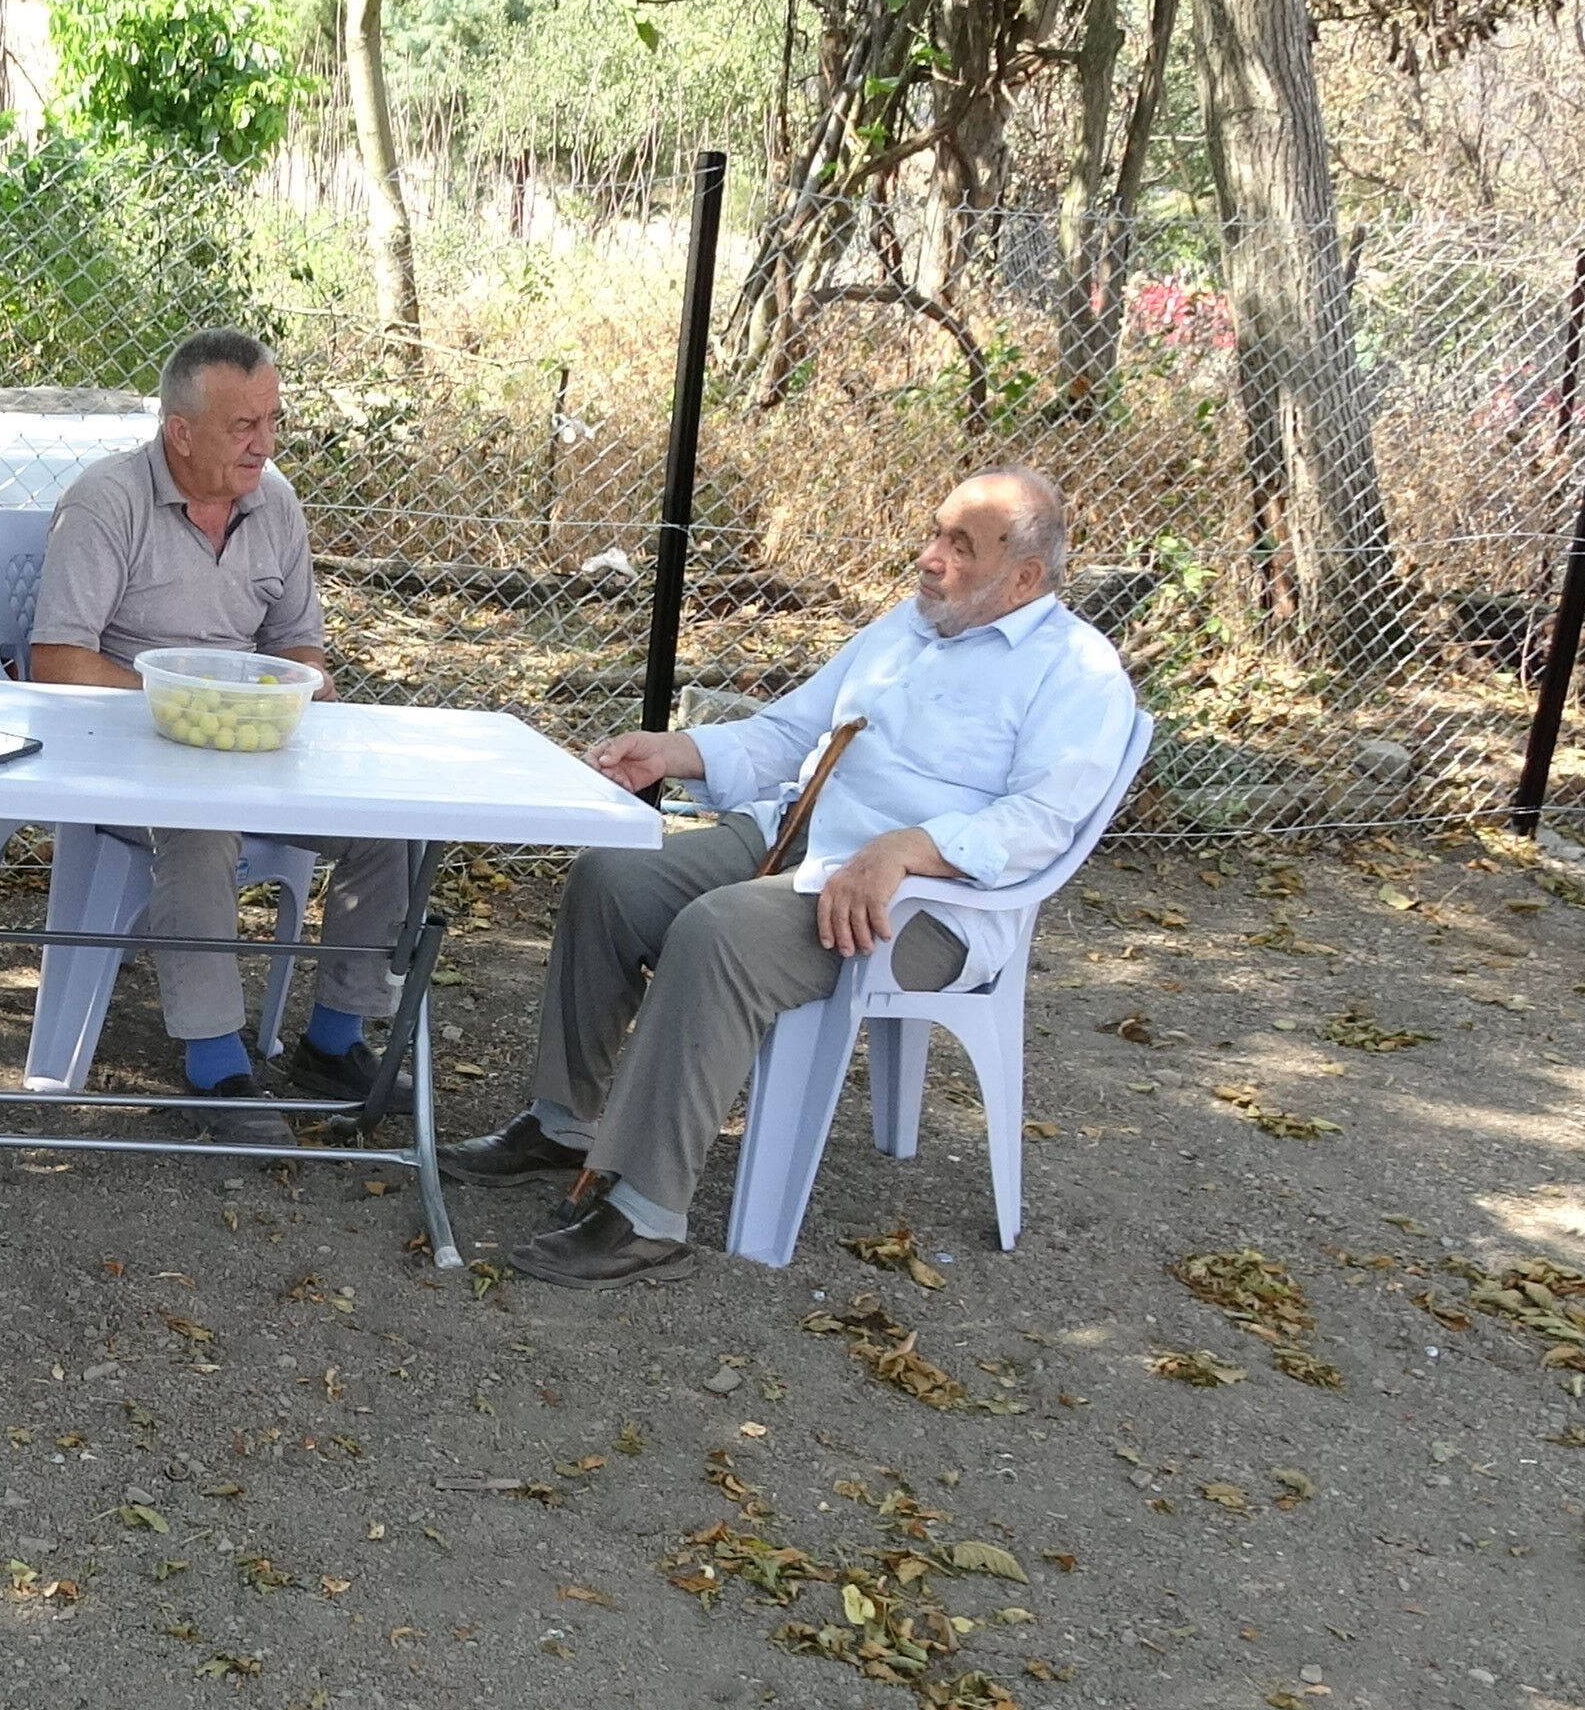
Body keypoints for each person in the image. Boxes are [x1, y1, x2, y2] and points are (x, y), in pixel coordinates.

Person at [442, 466, 1138, 1287]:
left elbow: (1043, 822)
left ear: (1025, 576)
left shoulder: (1079, 674)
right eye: (934, 533)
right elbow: (789, 733)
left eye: (959, 545)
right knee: (613, 878)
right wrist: (676, 751)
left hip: (923, 906)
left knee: (720, 931)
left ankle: (646, 1213)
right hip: (800, 840)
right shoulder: (907, 630)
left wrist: (910, 848)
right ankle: (565, 1124)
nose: (929, 557)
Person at [27, 328, 409, 1136]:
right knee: (198, 831)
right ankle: (215, 1068)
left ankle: (333, 1041)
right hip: (131, 755)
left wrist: (307, 683)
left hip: (252, 747)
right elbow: (57, 661)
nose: (264, 445)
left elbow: (299, 641)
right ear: (180, 430)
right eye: (244, 428)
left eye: (272, 423)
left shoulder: (276, 500)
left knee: (392, 822)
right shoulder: (107, 502)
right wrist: (178, 703)